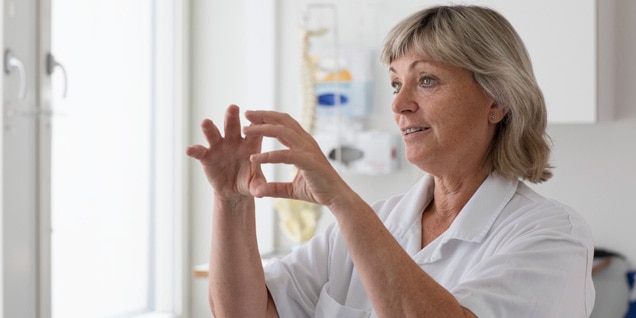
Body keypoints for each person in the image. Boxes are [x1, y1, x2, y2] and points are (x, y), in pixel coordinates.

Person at [186, 5, 595, 317]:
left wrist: (343, 201)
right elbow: (247, 312)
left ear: (498, 101)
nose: (399, 104)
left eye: (427, 80)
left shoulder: (554, 236)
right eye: (396, 83)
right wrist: (231, 201)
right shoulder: (373, 224)